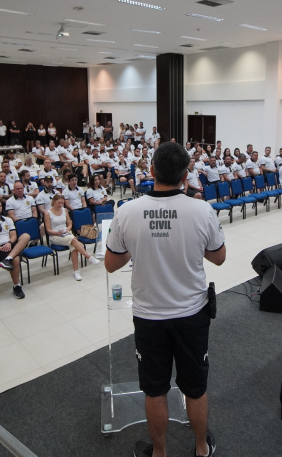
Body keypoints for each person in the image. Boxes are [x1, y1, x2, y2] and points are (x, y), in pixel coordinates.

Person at [105, 142, 225, 457]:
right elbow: (219, 257)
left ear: (152, 171)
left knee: (155, 389)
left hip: (149, 317)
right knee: (196, 388)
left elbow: (111, 263)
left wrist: (138, 242)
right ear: (186, 175)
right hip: (192, 314)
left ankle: (159, 453)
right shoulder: (202, 209)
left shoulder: (127, 211)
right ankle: (201, 448)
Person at [44, 194, 100, 281]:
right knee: (73, 240)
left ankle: (76, 271)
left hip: (66, 233)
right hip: (55, 236)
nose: (60, 205)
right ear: (54, 202)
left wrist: (67, 229)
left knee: (74, 246)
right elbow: (48, 230)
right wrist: (57, 232)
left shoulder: (65, 210)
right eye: (59, 203)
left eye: (62, 203)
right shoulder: (48, 213)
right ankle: (89, 257)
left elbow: (69, 224)